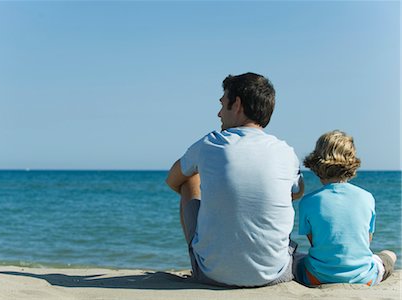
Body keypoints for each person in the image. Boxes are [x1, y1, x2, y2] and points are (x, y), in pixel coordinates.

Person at [166, 72, 304, 287]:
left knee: (188, 180)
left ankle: (211, 256)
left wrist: (218, 198)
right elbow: (297, 192)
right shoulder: (286, 152)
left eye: (223, 104)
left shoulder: (210, 144)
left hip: (212, 275)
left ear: (237, 104)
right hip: (275, 275)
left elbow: (172, 179)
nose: (219, 113)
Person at [294, 130, 397, 286]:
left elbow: (316, 243)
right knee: (390, 255)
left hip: (317, 278)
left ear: (316, 162)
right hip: (365, 278)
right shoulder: (367, 197)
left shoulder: (308, 201)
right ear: (351, 163)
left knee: (296, 258)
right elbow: (365, 242)